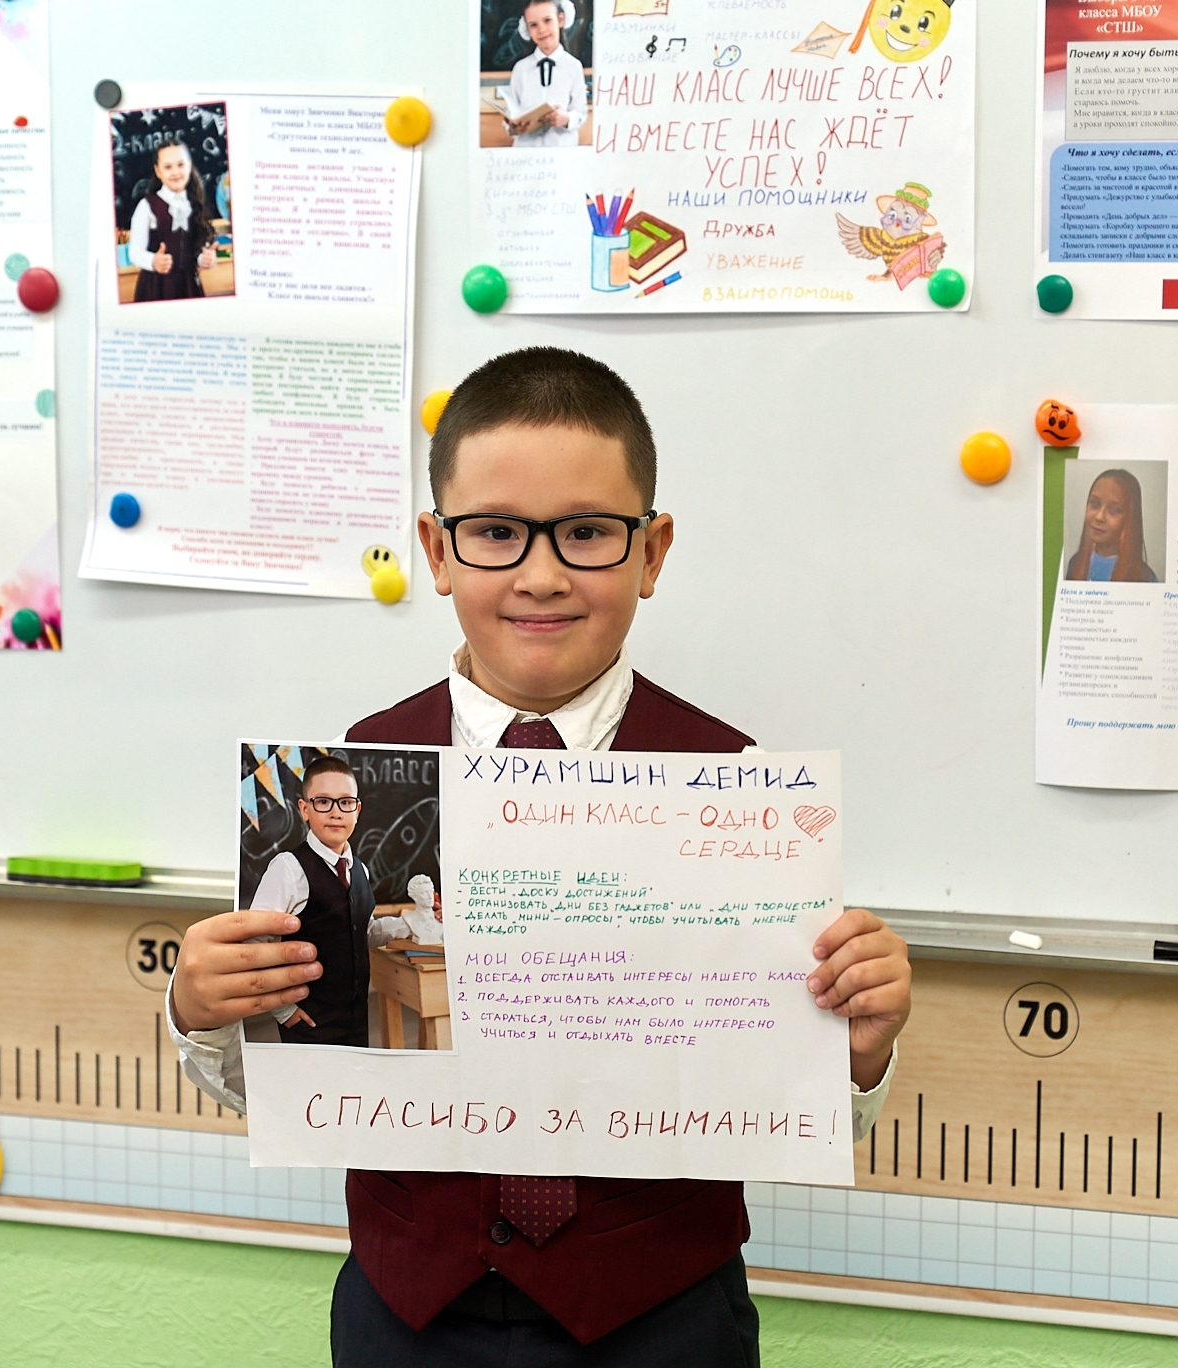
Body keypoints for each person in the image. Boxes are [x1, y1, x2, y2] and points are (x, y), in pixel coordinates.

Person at [168, 347, 913, 1365]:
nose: (541, 573)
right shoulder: (354, 773)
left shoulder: (735, 787)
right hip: (408, 1314)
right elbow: (294, 1078)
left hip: (663, 1317)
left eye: (587, 532)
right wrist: (204, 1011)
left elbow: (779, 1093)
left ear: (651, 552)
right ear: (436, 552)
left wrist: (854, 1051)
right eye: (495, 533)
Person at [245, 755, 410, 1047]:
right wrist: (283, 1010)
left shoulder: (360, 870)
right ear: (304, 809)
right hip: (309, 1025)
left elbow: (361, 932)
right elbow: (256, 941)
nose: (335, 813)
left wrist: (413, 923)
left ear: (357, 810)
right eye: (323, 802)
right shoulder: (288, 868)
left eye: (345, 802)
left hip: (357, 1021)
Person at [127, 139, 218, 302]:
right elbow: (134, 252)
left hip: (188, 287)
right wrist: (153, 261)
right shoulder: (147, 206)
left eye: (181, 165)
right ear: (158, 171)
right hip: (156, 288)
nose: (176, 172)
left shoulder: (195, 202)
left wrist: (204, 259)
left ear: (189, 166)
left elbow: (194, 249)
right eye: (168, 167)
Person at [503, 0, 589, 148]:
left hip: (561, 150)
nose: (541, 29)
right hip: (526, 152)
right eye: (533, 25)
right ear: (527, 29)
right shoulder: (521, 68)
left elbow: (581, 112)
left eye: (547, 20)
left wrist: (566, 118)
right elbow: (511, 110)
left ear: (560, 20)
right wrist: (513, 127)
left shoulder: (573, 66)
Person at [1065, 468, 1159, 583]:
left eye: (1114, 510)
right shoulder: (1075, 563)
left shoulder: (1144, 577)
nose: (1099, 517)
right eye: (1094, 504)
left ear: (1130, 518)